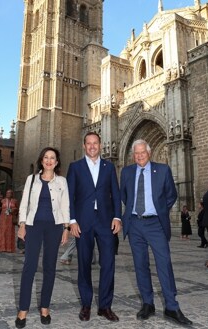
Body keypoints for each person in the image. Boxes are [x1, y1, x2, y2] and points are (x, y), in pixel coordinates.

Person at [120, 139, 192, 326]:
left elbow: (171, 195)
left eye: (142, 152)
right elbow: (124, 196)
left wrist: (159, 210)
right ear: (133, 155)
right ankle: (147, 303)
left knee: (164, 263)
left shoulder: (162, 170)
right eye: (136, 153)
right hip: (135, 224)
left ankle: (172, 306)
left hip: (155, 224)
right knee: (140, 265)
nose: (139, 156)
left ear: (149, 153)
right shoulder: (127, 172)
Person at [67, 132, 121, 322]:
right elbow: (70, 196)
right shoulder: (75, 167)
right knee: (83, 264)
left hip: (106, 222)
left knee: (108, 264)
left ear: (100, 145)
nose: (92, 146)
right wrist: (72, 221)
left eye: (95, 143)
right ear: (84, 146)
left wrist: (117, 217)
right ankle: (86, 305)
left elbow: (115, 192)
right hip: (83, 223)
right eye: (88, 143)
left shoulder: (109, 167)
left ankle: (105, 306)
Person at [15, 147, 70, 328]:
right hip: (33, 226)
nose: (48, 160)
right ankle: (23, 309)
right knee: (29, 266)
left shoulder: (62, 181)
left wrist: (66, 228)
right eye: (46, 157)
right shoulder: (32, 179)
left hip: (54, 227)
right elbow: (24, 205)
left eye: (52, 158)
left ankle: (45, 307)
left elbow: (65, 206)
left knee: (49, 268)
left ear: (56, 162)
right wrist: (22, 225)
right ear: (41, 160)